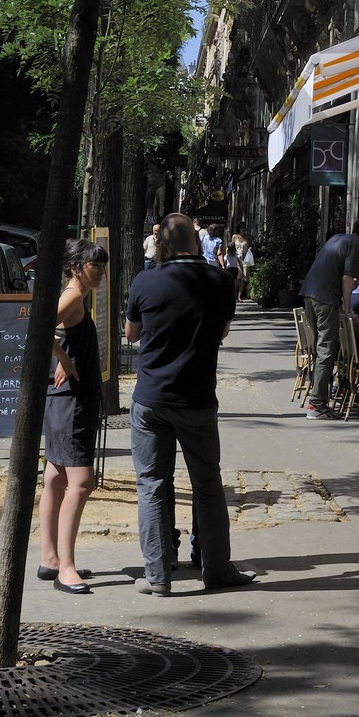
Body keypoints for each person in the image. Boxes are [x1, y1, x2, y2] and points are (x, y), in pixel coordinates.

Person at [124, 211, 255, 596]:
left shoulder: (145, 281)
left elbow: (131, 334)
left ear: (162, 245)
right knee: (207, 483)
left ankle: (157, 575)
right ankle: (216, 568)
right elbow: (223, 331)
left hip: (151, 398)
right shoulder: (221, 281)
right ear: (196, 243)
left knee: (152, 484)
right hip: (197, 398)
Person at [38, 237, 108, 595]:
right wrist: (64, 359)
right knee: (81, 483)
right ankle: (65, 567)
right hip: (72, 403)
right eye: (96, 265)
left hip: (65, 400)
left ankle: (50, 558)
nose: (101, 272)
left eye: (103, 266)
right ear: (76, 267)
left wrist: (63, 356)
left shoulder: (77, 296)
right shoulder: (74, 296)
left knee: (55, 478)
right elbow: (40, 327)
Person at [300, 217, 359, 417]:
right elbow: (347, 278)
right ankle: (317, 405)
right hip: (326, 298)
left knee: (320, 349)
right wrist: (348, 309)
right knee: (327, 350)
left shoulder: (337, 238)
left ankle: (318, 398)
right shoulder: (356, 244)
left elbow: (339, 273)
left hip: (309, 294)